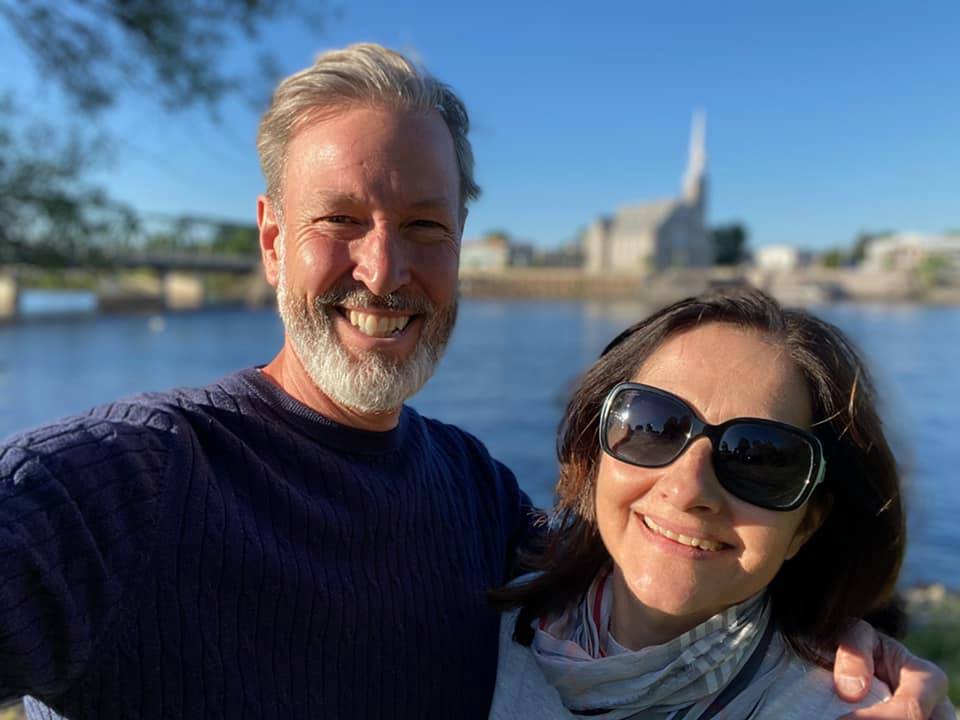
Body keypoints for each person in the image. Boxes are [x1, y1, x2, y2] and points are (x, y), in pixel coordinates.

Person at [0, 44, 949, 720]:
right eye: (340, 220)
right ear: (272, 239)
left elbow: (657, 557)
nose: (384, 270)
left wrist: (834, 634)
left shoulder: (473, 493)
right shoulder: (115, 486)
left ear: (460, 244)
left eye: (425, 226)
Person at [489, 287, 941, 718]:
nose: (689, 491)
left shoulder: (853, 710)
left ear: (805, 525)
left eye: (758, 459)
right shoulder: (482, 624)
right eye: (654, 427)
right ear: (596, 450)